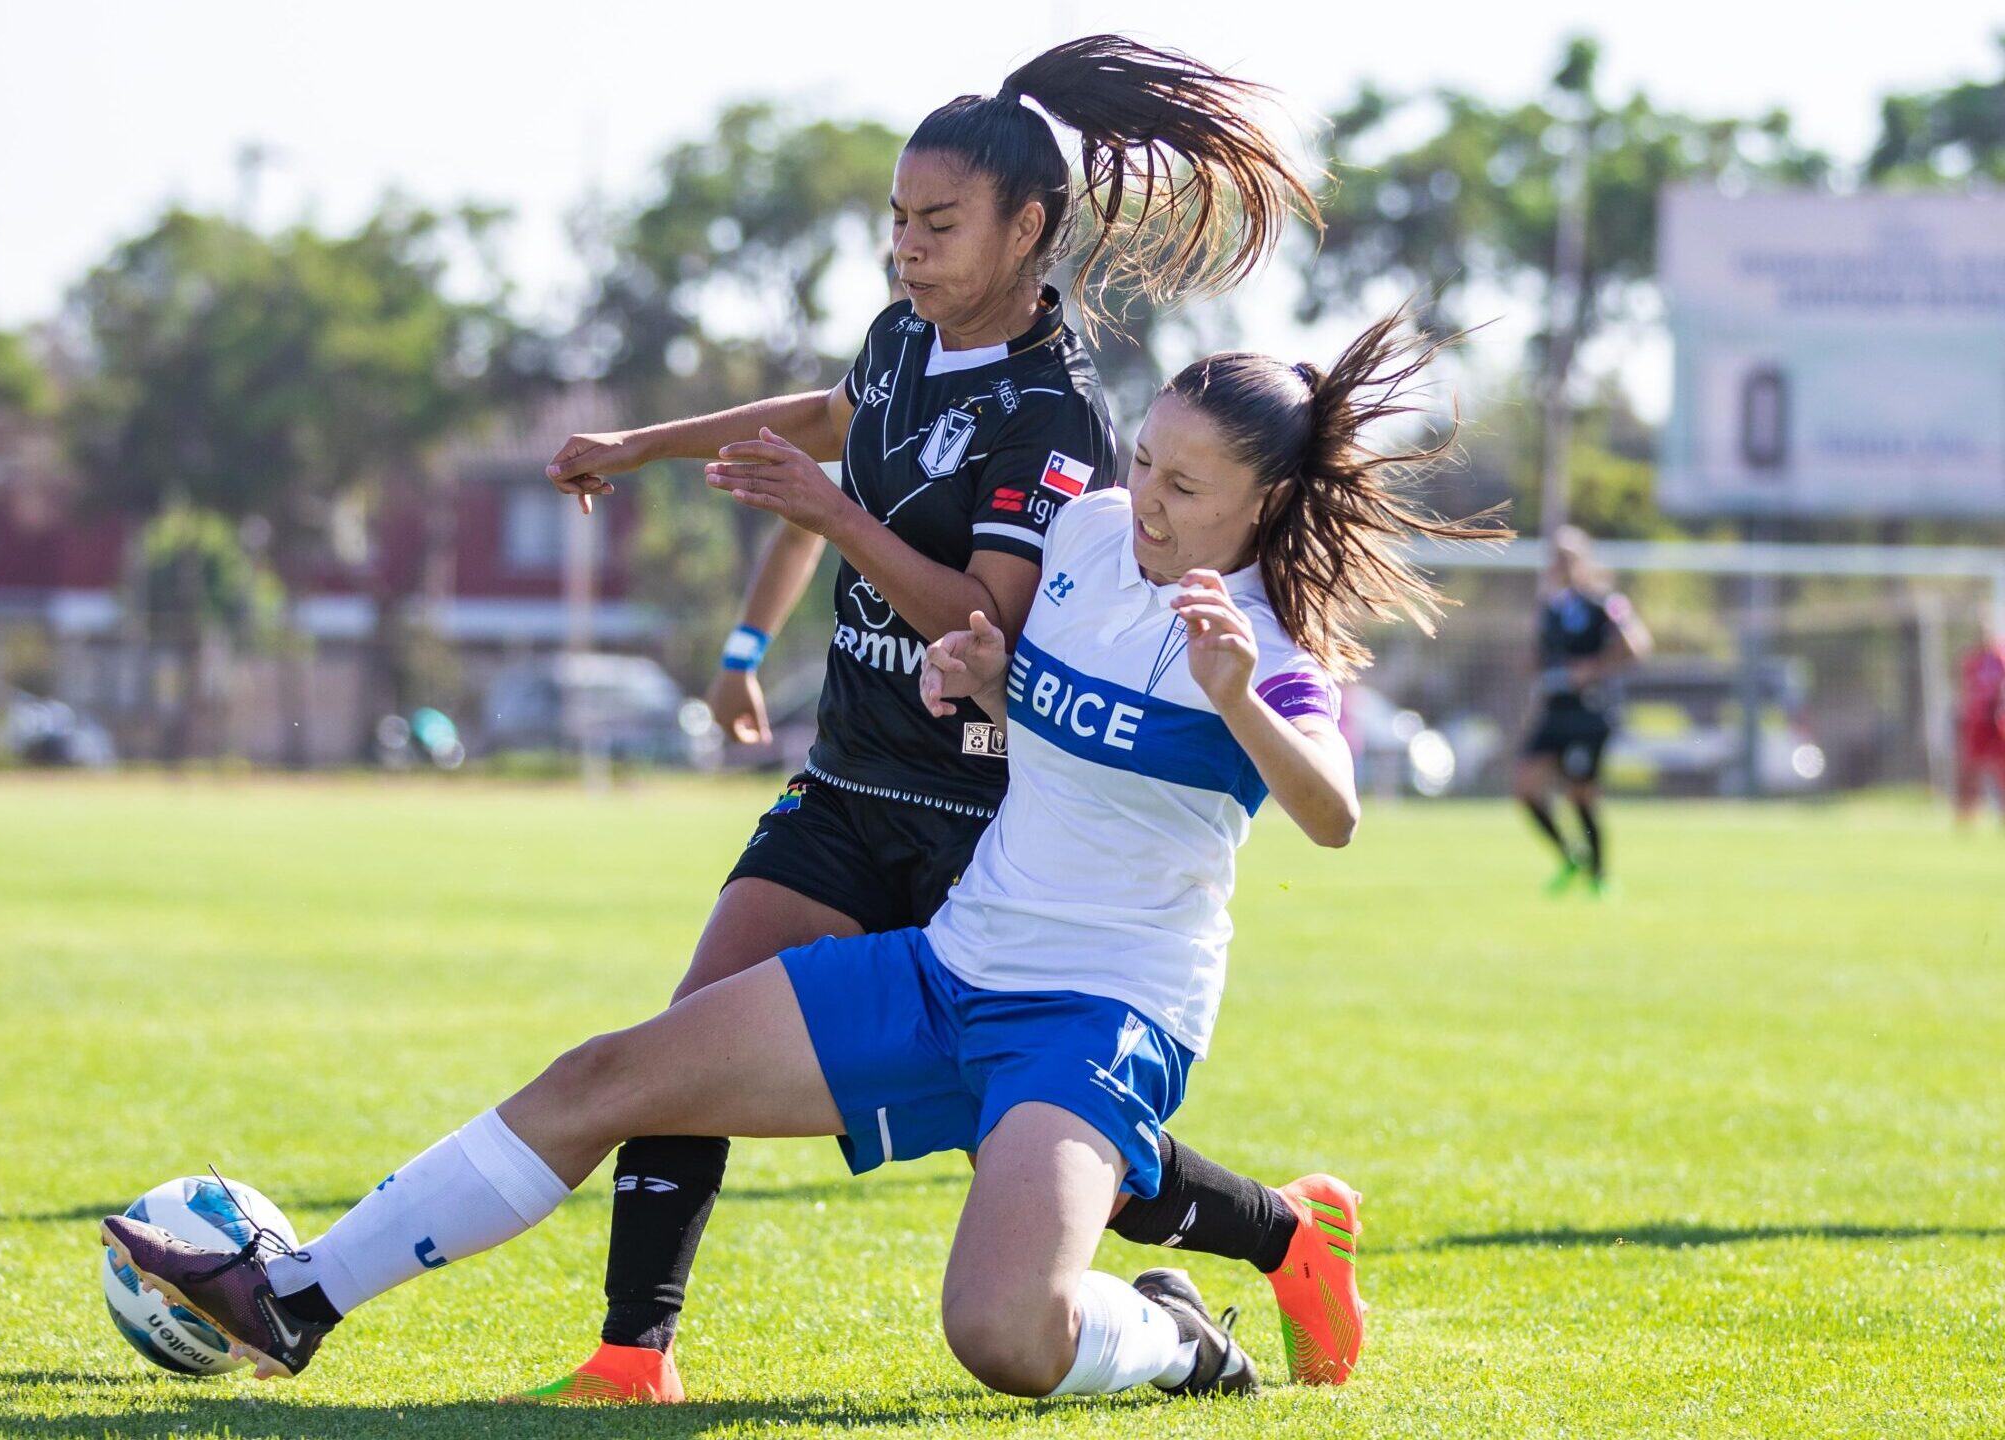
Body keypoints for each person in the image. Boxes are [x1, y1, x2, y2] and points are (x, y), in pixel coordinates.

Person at [102, 311, 1506, 1405]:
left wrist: (1242, 694)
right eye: (1143, 461)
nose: (1145, 501)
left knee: (1002, 1333)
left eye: (1186, 489)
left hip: (1102, 1018)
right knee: (616, 1075)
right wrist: (977, 670)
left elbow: (1331, 813)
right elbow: (986, 627)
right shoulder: (1083, 534)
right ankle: (295, 1302)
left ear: (1262, 507)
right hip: (951, 966)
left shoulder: (1261, 633)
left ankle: (1182, 1338)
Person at [522, 34, 1326, 1402]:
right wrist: (643, 448)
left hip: (978, 813)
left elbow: (986, 615)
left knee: (1032, 1145)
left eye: (937, 223)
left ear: (1027, 230)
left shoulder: (1057, 409)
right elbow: (832, 423)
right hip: (847, 785)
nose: (906, 247)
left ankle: (1279, 1237)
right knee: (682, 1040)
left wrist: (829, 516)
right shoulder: (904, 339)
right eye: (896, 219)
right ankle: (628, 1356)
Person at [1513, 527, 1651, 895]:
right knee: (1526, 787)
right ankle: (1571, 856)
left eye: (1568, 557)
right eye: (1556, 557)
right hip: (1554, 708)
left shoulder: (1604, 602)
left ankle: (1600, 875)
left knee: (1581, 795)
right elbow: (1539, 656)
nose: (1561, 565)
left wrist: (1594, 668)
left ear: (1583, 561)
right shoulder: (1550, 609)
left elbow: (1637, 644)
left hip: (1589, 711)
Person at [1956, 619, 2005, 827]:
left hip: (1997, 721)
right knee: (1970, 767)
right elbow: (1964, 690)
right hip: (1976, 722)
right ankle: (1967, 813)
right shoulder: (1971, 660)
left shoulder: (2000, 656)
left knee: (2000, 767)